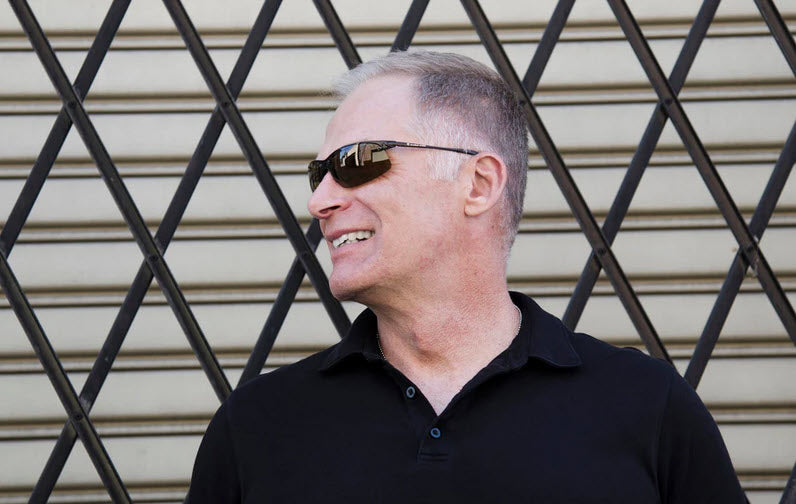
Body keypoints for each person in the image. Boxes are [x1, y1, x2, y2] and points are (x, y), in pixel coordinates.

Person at [186, 50, 746, 503]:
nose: (320, 201)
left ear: (478, 184)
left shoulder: (647, 407)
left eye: (356, 162)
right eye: (319, 174)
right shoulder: (257, 425)